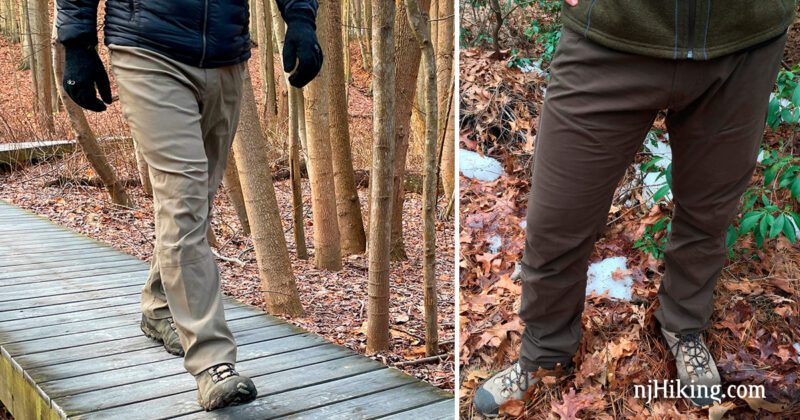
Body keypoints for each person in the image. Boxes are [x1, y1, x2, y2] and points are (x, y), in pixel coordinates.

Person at [473, 0, 795, 416]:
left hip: (743, 42)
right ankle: (544, 352)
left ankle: (683, 326)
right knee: (557, 220)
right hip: (610, 35)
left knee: (707, 215)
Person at [55, 0, 322, 411]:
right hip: (147, 49)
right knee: (184, 198)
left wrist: (301, 18)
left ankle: (160, 304)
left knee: (198, 198)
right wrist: (77, 43)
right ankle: (213, 362)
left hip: (224, 55)